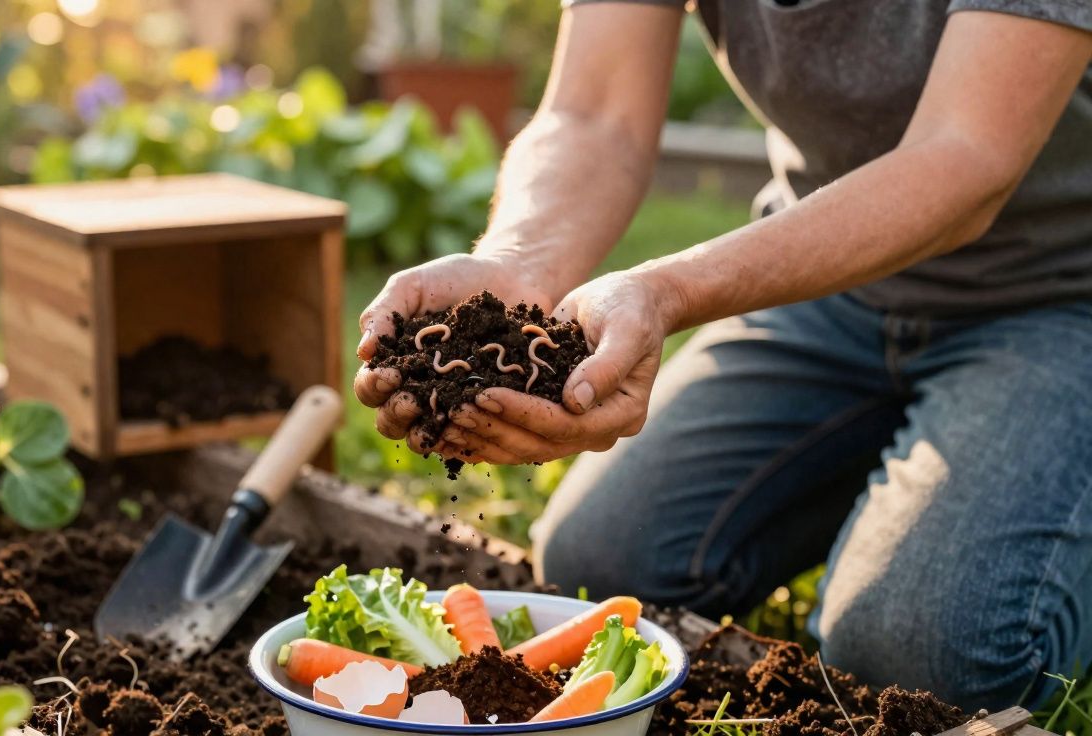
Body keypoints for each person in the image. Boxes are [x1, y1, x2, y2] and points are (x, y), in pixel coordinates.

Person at [353, 0, 1092, 712]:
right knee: (605, 565)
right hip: (830, 290)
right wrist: (521, 260)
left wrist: (667, 291)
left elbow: (966, 157)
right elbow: (594, 112)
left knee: (920, 656)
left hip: (1060, 294)